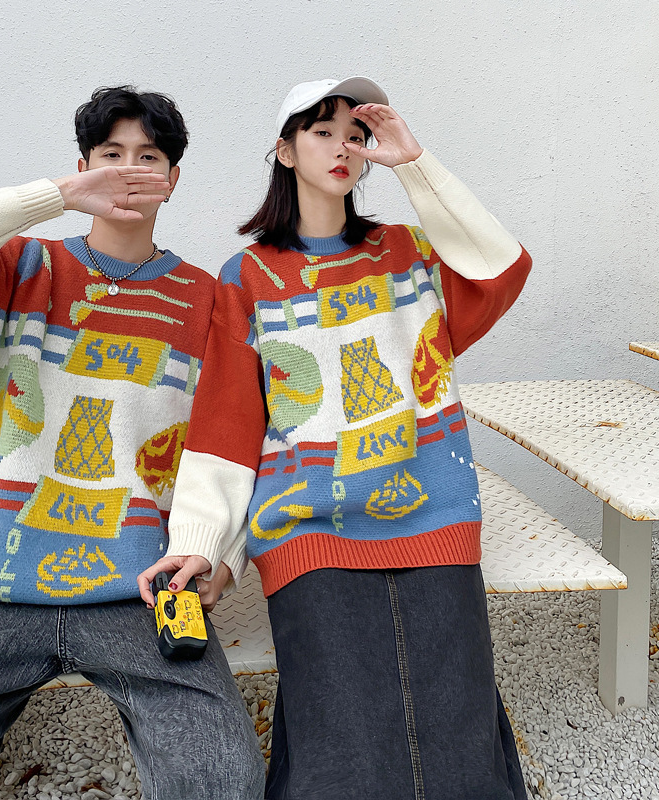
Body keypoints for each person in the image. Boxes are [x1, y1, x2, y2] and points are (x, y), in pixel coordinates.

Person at [0, 85, 264, 800]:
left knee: (221, 775)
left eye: (149, 157)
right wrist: (57, 197)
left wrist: (220, 553)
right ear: (83, 166)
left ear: (173, 179)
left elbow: (228, 435)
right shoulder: (17, 272)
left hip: (139, 587)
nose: (129, 170)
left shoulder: (208, 300)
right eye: (111, 155)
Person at [138, 76, 532, 799]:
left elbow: (502, 267)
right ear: (285, 151)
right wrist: (202, 542)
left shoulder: (409, 253)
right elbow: (227, 423)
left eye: (356, 134)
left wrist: (415, 165)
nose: (342, 146)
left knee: (457, 730)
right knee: (340, 738)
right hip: (308, 529)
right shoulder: (248, 277)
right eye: (321, 132)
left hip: (433, 514)